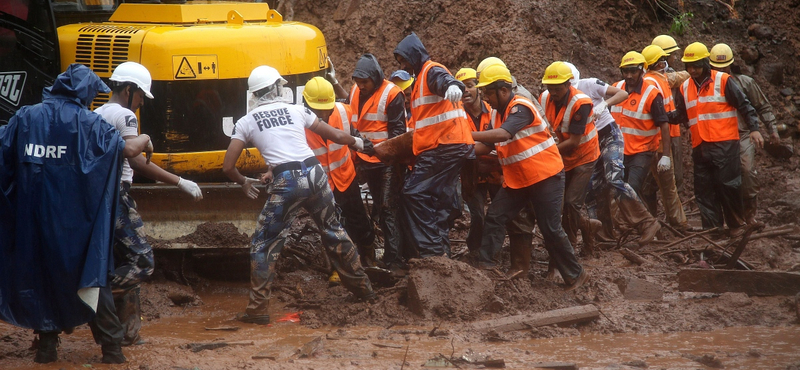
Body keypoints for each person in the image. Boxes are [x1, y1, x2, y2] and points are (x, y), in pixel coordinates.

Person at [0, 64, 153, 364]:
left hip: (34, 221)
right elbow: (127, 151)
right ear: (83, 93)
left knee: (44, 279)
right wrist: (146, 138)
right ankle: (112, 350)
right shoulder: (90, 124)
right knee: (92, 280)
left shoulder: (26, 117)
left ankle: (46, 349)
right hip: (75, 224)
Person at [223, 66, 377, 325]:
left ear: (254, 94)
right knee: (333, 231)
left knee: (263, 244)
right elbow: (338, 135)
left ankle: (258, 309)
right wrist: (359, 143)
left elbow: (228, 166)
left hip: (287, 181)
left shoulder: (246, 121)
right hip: (315, 174)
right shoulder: (296, 109)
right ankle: (364, 290)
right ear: (276, 89)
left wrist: (243, 181)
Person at [92, 62, 203, 349]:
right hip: (117, 197)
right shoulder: (125, 115)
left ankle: (126, 334)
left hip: (98, 197)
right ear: (129, 90)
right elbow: (135, 157)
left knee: (120, 264)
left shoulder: (96, 113)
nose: (142, 102)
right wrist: (179, 181)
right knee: (141, 262)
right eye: (141, 95)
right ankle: (91, 295)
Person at [471, 63, 588, 290]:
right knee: (495, 215)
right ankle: (485, 267)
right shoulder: (496, 113)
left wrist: (464, 133)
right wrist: (457, 147)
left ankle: (576, 275)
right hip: (519, 180)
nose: (485, 98)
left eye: (488, 92)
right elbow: (485, 146)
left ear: (503, 90)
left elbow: (504, 134)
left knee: (550, 228)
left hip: (545, 176)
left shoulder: (520, 106)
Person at [393, 33, 475, 258]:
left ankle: (432, 254)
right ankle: (442, 256)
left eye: (404, 61)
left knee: (413, 193)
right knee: (437, 200)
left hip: (445, 145)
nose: (404, 66)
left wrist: (452, 85)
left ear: (413, 56)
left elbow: (444, 80)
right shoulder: (419, 80)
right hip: (447, 145)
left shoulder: (431, 70)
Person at [564, 62, 661, 245]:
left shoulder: (590, 84)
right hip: (588, 143)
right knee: (593, 189)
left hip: (608, 135)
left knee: (614, 178)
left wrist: (604, 105)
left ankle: (646, 222)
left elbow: (622, 93)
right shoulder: (554, 96)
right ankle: (604, 236)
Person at [673, 42, 764, 235]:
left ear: (705, 63)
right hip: (700, 147)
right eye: (689, 66)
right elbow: (681, 114)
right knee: (704, 190)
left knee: (728, 185)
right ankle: (712, 230)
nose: (692, 70)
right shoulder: (684, 87)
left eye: (696, 65)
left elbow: (744, 105)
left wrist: (754, 129)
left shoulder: (723, 80)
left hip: (725, 143)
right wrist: (660, 116)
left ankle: (736, 225)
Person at [455, 67, 536, 277]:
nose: (466, 91)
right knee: (478, 216)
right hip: (472, 172)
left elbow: (498, 138)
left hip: (498, 169)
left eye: (471, 86)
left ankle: (494, 255)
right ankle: (478, 251)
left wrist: (467, 142)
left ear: (478, 89)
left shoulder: (494, 110)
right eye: (462, 87)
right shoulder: (457, 115)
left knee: (502, 214)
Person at [302, 76, 378, 271]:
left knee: (359, 221)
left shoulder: (344, 112)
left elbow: (356, 135)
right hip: (321, 186)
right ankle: (340, 268)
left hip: (346, 178)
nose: (322, 114)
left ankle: (368, 255)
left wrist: (361, 157)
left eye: (325, 109)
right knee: (332, 228)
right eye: (316, 110)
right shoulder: (299, 124)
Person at [610, 51, 687, 238]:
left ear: (642, 71)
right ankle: (633, 226)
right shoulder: (615, 88)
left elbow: (663, 124)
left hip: (642, 150)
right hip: (619, 151)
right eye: (625, 71)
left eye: (633, 72)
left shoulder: (652, 93)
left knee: (631, 188)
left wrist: (666, 155)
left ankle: (648, 225)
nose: (629, 76)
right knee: (615, 190)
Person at [348, 54, 410, 271]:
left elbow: (398, 134)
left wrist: (392, 160)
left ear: (375, 78)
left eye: (365, 82)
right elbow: (352, 120)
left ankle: (395, 260)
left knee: (387, 208)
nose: (361, 86)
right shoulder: (355, 91)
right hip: (364, 159)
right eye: (358, 81)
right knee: (377, 209)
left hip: (386, 162)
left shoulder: (392, 94)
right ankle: (385, 255)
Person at [709, 43, 780, 224]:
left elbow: (762, 106)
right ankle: (726, 217)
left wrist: (772, 130)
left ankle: (750, 214)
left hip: (742, 135)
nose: (720, 71)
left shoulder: (745, 83)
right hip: (718, 137)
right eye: (716, 67)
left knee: (746, 171)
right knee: (719, 177)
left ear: (731, 65)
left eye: (723, 67)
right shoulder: (707, 86)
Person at [539, 62, 601, 253]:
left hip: (584, 155)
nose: (554, 93)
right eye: (550, 88)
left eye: (558, 89)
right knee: (556, 201)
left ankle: (570, 246)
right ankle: (586, 225)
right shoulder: (543, 98)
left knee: (571, 202)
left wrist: (545, 152)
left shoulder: (580, 103)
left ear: (568, 85)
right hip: (561, 157)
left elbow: (574, 141)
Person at [640, 45, 690, 233]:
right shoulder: (659, 81)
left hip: (650, 139)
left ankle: (649, 222)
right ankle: (678, 223)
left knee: (655, 184)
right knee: (668, 185)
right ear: (660, 63)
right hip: (662, 138)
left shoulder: (652, 80)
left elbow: (679, 77)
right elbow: (681, 77)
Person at [651, 35, 691, 192]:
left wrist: (687, 124)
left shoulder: (668, 73)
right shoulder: (659, 76)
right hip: (662, 127)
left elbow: (682, 100)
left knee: (676, 170)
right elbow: (676, 78)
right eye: (673, 54)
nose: (676, 57)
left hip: (672, 126)